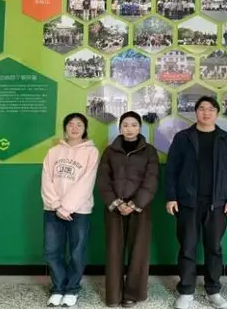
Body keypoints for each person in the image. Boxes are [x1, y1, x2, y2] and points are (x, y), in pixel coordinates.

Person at [165, 96, 227, 309]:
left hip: (217, 202)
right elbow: (171, 169)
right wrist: (171, 197)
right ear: (196, 112)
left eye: (210, 109)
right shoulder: (183, 137)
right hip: (187, 201)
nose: (206, 113)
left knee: (214, 247)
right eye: (201, 108)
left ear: (217, 113)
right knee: (187, 246)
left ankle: (213, 290)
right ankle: (186, 291)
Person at [97, 111, 160, 307]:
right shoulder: (110, 151)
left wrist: (134, 204)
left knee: (138, 252)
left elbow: (151, 180)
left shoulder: (149, 151)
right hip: (114, 209)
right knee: (114, 251)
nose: (129, 129)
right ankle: (114, 295)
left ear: (140, 127)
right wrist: (117, 203)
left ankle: (132, 294)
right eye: (125, 125)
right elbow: (103, 180)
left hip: (140, 208)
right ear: (120, 128)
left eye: (134, 125)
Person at [40, 113, 99, 308]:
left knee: (77, 252)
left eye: (79, 125)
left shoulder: (91, 152)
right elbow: (46, 179)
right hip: (52, 209)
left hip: (79, 210)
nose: (74, 128)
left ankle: (72, 289)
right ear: (65, 128)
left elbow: (87, 182)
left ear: (85, 129)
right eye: (71, 124)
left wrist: (67, 207)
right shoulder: (54, 151)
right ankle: (58, 288)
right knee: (52, 251)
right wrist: (57, 205)